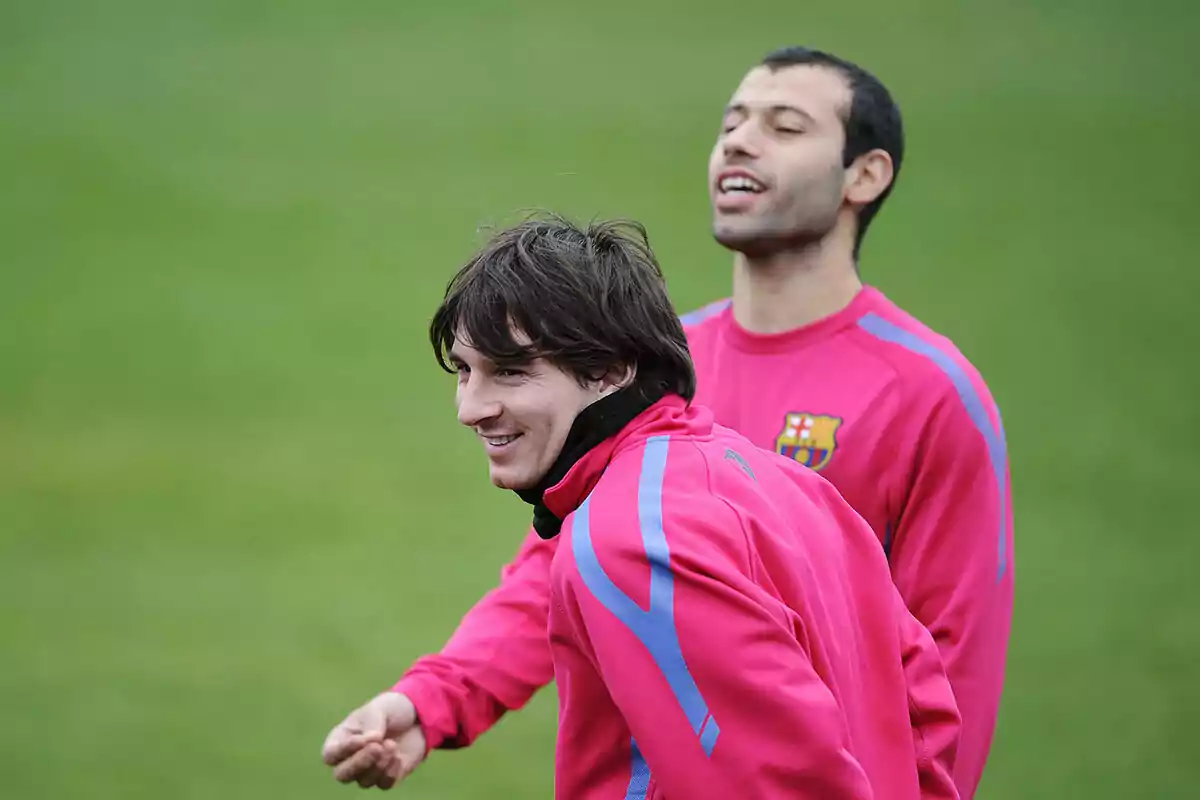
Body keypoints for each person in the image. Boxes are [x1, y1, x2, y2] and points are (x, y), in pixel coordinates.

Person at [323, 45, 1013, 797]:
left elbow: (944, 661)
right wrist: (437, 698)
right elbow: (557, 570)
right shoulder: (651, 368)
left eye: (785, 126)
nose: (740, 141)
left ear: (865, 175)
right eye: (732, 122)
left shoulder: (928, 390)